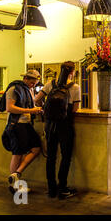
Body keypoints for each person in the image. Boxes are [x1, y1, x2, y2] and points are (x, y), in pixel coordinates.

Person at [34, 61, 81, 199]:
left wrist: (45, 110)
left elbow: (36, 100)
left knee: (51, 158)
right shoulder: (75, 87)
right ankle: (63, 188)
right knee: (66, 157)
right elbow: (75, 109)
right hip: (65, 125)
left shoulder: (50, 84)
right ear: (72, 72)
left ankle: (51, 189)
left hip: (50, 125)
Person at [3, 70, 43, 194]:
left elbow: (33, 103)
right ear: (25, 78)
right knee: (17, 153)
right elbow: (10, 108)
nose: (33, 85)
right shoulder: (14, 89)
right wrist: (31, 111)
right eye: (31, 82)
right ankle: (14, 185)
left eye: (35, 83)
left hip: (26, 124)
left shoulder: (28, 90)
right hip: (16, 125)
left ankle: (16, 174)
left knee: (36, 148)